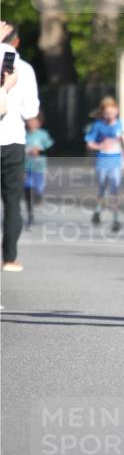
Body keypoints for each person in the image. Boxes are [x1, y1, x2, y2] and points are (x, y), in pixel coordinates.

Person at [0, 21, 40, 271]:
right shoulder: (24, 69)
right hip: (12, 140)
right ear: (17, 41)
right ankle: (10, 257)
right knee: (12, 200)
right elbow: (31, 111)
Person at [85, 96, 124, 232]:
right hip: (103, 160)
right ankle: (97, 211)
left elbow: (120, 139)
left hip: (116, 160)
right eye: (107, 113)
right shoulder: (97, 126)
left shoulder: (119, 124)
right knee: (102, 187)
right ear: (102, 113)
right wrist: (100, 145)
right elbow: (89, 144)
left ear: (117, 110)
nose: (109, 116)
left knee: (115, 189)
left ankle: (115, 219)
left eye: (112, 112)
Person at [24, 113, 54, 227]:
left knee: (38, 190)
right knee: (27, 190)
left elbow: (51, 150)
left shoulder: (43, 135)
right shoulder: (22, 135)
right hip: (25, 168)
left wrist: (39, 152)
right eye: (29, 121)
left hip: (39, 168)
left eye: (33, 121)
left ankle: (39, 197)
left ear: (39, 122)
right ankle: (30, 215)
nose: (31, 123)